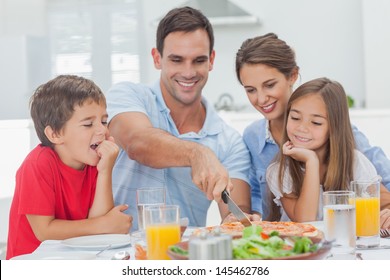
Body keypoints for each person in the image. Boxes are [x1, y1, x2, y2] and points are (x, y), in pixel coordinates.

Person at [106, 6, 255, 231]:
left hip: (182, 257)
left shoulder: (230, 142)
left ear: (211, 60)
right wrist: (196, 153)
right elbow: (137, 143)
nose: (188, 72)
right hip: (117, 253)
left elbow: (236, 209)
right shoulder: (128, 96)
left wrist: (235, 222)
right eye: (176, 60)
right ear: (157, 58)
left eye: (198, 60)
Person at [235, 33, 390, 220]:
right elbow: (256, 198)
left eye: (269, 85)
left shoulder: (347, 142)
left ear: (292, 75)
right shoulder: (253, 138)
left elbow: (380, 186)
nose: (260, 99)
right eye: (250, 90)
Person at [6, 75, 132, 259]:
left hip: (73, 260)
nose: (103, 131)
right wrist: (104, 225)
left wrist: (105, 171)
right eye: (88, 124)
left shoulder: (94, 162)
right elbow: (45, 231)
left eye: (104, 121)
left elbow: (102, 231)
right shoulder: (37, 164)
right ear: (55, 134)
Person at [265, 77, 390, 224]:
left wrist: (386, 214)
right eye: (295, 117)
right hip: (304, 246)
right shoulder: (280, 171)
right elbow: (306, 221)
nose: (302, 128)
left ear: (334, 127)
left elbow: (382, 202)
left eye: (316, 122)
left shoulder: (354, 161)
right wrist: (311, 161)